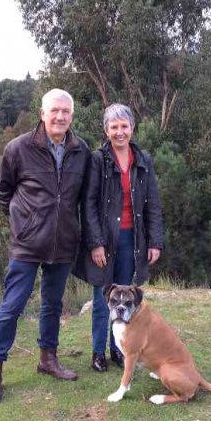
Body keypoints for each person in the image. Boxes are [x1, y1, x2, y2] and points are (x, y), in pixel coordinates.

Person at [0, 89, 90, 403]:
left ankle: (48, 359)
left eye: (65, 112)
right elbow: (3, 190)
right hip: (27, 244)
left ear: (71, 116)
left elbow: (83, 198)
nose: (59, 117)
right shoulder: (19, 148)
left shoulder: (80, 149)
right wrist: (21, 222)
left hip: (64, 242)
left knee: (53, 305)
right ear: (42, 113)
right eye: (54, 111)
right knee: (11, 307)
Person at [74, 103, 164, 372]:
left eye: (124, 126)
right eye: (114, 127)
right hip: (105, 240)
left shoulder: (143, 160)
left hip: (132, 240)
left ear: (132, 128)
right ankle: (98, 353)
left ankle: (118, 349)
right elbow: (87, 204)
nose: (120, 132)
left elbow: (153, 204)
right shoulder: (98, 159)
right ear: (106, 130)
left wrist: (155, 241)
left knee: (125, 298)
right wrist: (95, 243)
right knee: (105, 299)